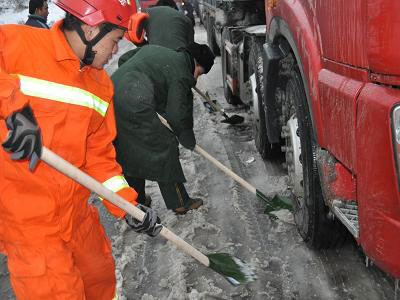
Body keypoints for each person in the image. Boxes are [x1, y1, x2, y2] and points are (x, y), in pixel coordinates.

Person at [0, 0, 162, 299]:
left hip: (77, 217)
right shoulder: (17, 42)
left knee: (101, 284)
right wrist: (12, 109)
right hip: (31, 226)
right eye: (114, 41)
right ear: (91, 29)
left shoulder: (99, 85)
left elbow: (99, 158)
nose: (115, 51)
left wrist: (128, 205)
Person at [111, 42, 215, 214]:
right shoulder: (181, 73)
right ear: (196, 63)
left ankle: (137, 201)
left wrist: (136, 82)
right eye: (200, 73)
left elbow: (124, 59)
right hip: (134, 102)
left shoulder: (160, 49)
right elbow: (177, 114)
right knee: (164, 146)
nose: (196, 78)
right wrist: (187, 137)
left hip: (113, 96)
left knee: (130, 150)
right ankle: (180, 202)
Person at [119, 5, 194, 66]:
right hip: (185, 22)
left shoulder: (150, 27)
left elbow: (147, 49)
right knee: (188, 57)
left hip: (172, 56)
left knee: (163, 62)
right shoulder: (152, 13)